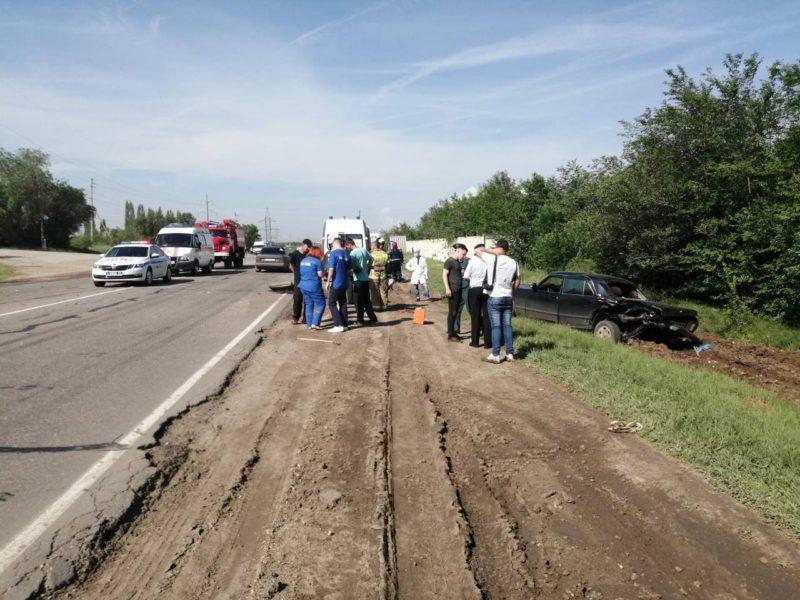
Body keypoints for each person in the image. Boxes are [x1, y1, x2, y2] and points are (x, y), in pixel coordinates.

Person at [481, 239, 520, 363]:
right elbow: (518, 280)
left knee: (496, 327)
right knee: (507, 326)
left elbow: (478, 250)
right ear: (507, 250)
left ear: (498, 248)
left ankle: (495, 354)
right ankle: (510, 354)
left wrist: (492, 251)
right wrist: (511, 292)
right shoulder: (514, 262)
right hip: (508, 297)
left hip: (495, 296)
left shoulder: (492, 259)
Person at [463, 244, 491, 348]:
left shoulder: (472, 261)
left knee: (475, 316)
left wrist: (472, 279)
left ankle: (475, 342)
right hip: (486, 290)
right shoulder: (489, 261)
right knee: (487, 316)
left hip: (474, 289)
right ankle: (488, 342)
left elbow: (466, 276)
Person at [346, 238, 378, 325]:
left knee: (358, 301)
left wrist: (350, 271)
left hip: (358, 280)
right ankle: (373, 318)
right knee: (367, 300)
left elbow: (351, 266)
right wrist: (367, 267)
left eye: (347, 246)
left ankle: (360, 320)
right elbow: (371, 258)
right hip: (366, 279)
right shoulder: (363, 250)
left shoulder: (353, 253)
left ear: (349, 244)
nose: (347, 248)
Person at [326, 237, 352, 332]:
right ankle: (345, 325)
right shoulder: (347, 254)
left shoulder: (334, 254)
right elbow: (350, 270)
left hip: (336, 283)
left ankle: (338, 325)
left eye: (332, 244)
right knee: (343, 303)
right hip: (345, 283)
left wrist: (328, 281)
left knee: (331, 303)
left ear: (334, 244)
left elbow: (331, 269)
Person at [442, 243, 467, 342]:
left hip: (458, 289)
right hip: (452, 289)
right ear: (458, 251)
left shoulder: (457, 262)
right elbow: (444, 275)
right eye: (463, 254)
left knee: (455, 312)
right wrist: (447, 289)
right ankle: (450, 335)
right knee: (452, 312)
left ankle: (453, 333)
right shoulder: (449, 261)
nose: (464, 256)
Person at [297, 246, 326, 329]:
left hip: (303, 285)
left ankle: (309, 324)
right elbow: (320, 274)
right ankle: (315, 323)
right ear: (317, 253)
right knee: (321, 304)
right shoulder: (317, 261)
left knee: (309, 304)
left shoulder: (303, 260)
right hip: (313, 286)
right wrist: (324, 272)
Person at [288, 238, 312, 324]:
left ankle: (305, 318)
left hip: (307, 280)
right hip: (298, 281)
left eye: (310, 247)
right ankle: (295, 318)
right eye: (307, 246)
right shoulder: (295, 254)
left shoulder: (308, 255)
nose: (308, 248)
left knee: (307, 299)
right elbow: (291, 264)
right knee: (297, 299)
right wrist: (295, 272)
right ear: (303, 245)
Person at [369, 241, 389, 310]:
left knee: (374, 291)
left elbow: (368, 264)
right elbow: (387, 263)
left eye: (371, 246)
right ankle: (384, 306)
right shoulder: (384, 254)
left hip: (373, 276)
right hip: (383, 275)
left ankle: (376, 307)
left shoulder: (371, 254)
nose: (371, 247)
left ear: (374, 246)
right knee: (383, 290)